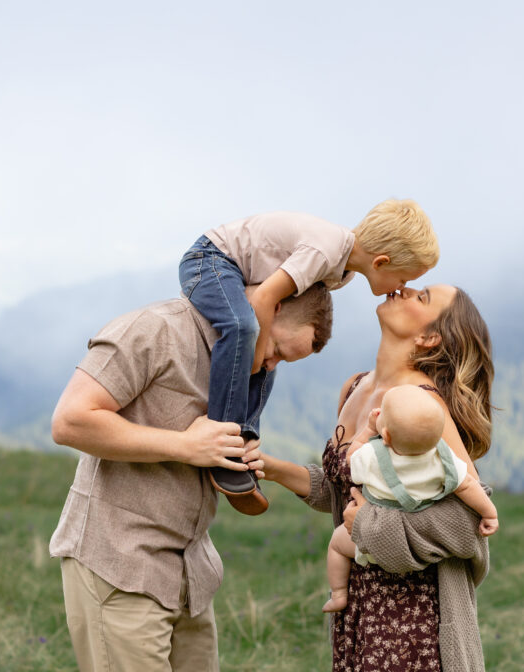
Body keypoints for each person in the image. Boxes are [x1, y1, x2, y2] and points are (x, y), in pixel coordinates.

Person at [48, 284, 333, 672]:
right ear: (268, 309)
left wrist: (246, 473)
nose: (274, 367)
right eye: (282, 351)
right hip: (118, 559)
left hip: (189, 571)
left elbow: (235, 491)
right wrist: (188, 445)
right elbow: (69, 421)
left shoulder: (242, 368)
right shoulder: (150, 331)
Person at [252, 284, 494, 672]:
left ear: (430, 337)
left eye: (426, 294)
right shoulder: (358, 388)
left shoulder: (426, 407)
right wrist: (272, 468)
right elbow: (345, 492)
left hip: (419, 613)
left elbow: (467, 529)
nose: (404, 285)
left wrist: (366, 533)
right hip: (366, 608)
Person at [178, 200, 439, 508]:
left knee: (268, 359)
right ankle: (221, 441)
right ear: (381, 262)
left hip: (233, 273)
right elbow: (264, 297)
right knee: (244, 330)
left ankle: (245, 438)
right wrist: (254, 359)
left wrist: (263, 359)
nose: (402, 288)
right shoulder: (326, 252)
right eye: (404, 279)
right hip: (209, 260)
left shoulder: (341, 274)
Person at [323, 383, 499, 612]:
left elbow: (351, 457)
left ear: (385, 435)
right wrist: (489, 513)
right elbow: (467, 486)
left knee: (337, 545)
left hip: (373, 538)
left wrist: (367, 430)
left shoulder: (374, 458)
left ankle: (338, 594)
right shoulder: (441, 459)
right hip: (417, 547)